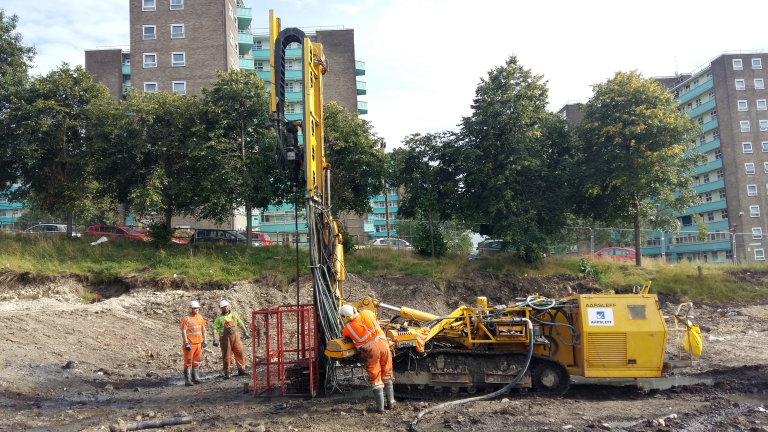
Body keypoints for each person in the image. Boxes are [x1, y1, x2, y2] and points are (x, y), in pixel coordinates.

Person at [340, 304, 395, 413]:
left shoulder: (348, 327)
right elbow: (376, 321)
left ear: (345, 317)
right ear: (355, 309)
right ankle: (391, 402)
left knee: (375, 378)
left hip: (370, 350)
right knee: (387, 373)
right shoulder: (368, 313)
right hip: (384, 344)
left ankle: (380, 408)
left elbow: (346, 336)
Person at [212, 300, 250, 379]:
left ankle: (241, 369)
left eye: (226, 306)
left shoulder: (234, 314)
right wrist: (215, 339)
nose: (225, 308)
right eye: (223, 307)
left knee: (239, 352)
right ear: (221, 309)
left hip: (236, 338)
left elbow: (240, 323)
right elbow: (214, 328)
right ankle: (227, 372)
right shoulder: (219, 318)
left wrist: (245, 331)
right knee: (226, 355)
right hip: (225, 340)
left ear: (229, 306)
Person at [180, 300, 207, 386]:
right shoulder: (186, 319)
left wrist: (205, 339)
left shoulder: (200, 317)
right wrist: (186, 342)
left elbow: (203, 329)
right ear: (191, 309)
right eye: (195, 309)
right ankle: (188, 380)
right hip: (190, 343)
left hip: (199, 343)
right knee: (188, 361)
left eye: (198, 309)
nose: (197, 310)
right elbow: (183, 331)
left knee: (197, 360)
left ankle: (195, 378)